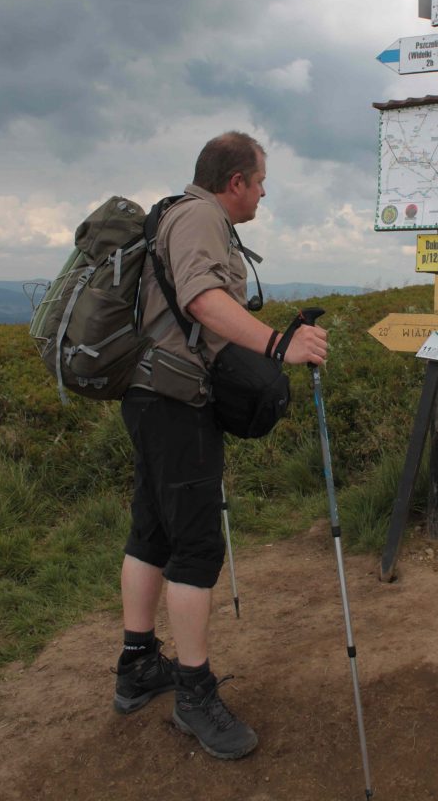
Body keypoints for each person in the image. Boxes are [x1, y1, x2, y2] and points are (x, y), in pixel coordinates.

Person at [112, 131, 327, 760]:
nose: (263, 193)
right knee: (197, 545)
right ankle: (194, 695)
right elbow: (203, 299)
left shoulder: (176, 214)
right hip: (175, 402)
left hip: (152, 396)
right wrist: (279, 344)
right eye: (260, 182)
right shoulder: (202, 216)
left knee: (152, 529)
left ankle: (137, 665)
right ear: (235, 181)